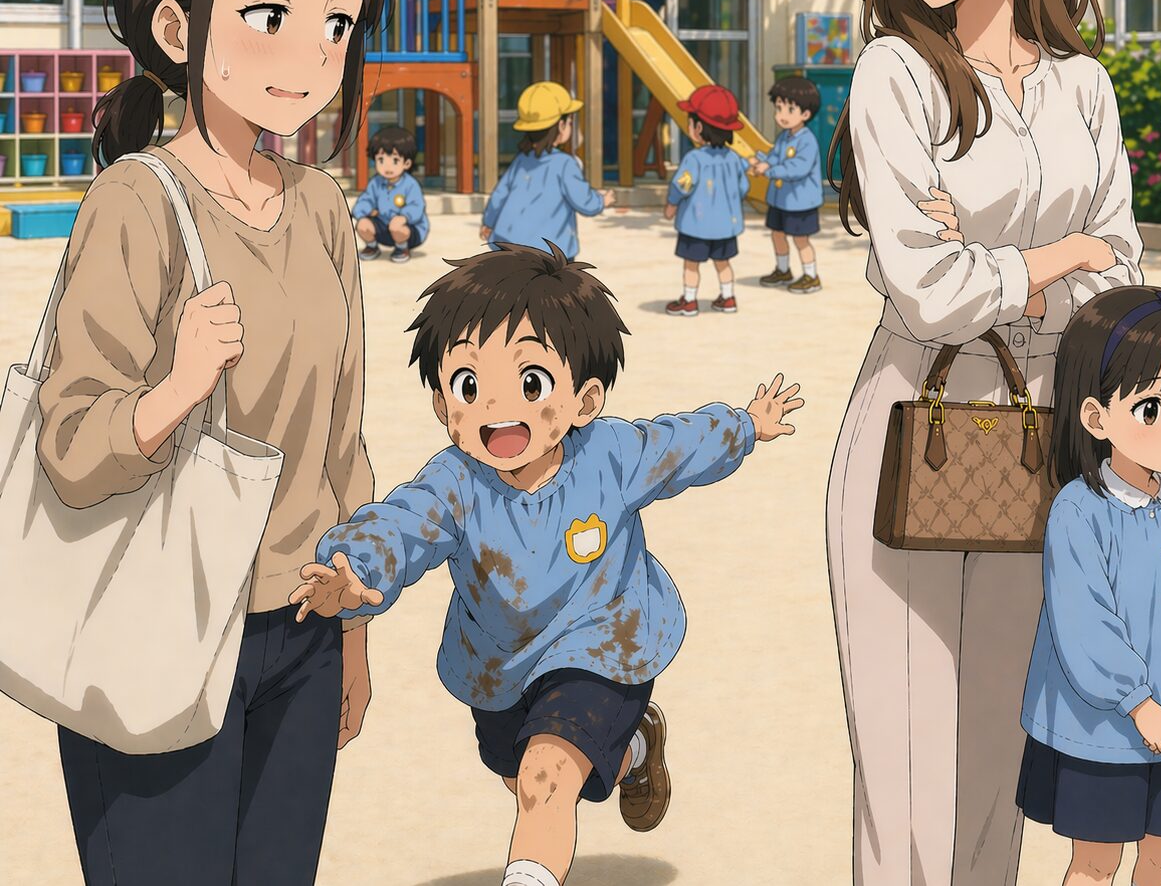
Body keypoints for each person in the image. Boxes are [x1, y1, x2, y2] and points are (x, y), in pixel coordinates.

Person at [37, 0, 391, 885]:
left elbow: (342, 437)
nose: (313, 54)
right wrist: (178, 387)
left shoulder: (323, 206)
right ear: (179, 29)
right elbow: (71, 446)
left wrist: (355, 630)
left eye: (337, 23)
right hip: (159, 631)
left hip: (305, 628)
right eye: (274, 16)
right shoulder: (136, 203)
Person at [824, 0, 1145, 885]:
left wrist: (1000, 265)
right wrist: (1057, 257)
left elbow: (1128, 274)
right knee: (905, 762)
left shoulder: (1083, 89)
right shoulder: (895, 75)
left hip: (1047, 430)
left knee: (1001, 753)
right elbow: (928, 294)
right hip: (915, 419)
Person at [289, 243, 804, 886]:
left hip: (603, 645)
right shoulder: (455, 482)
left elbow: (681, 444)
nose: (497, 410)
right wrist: (355, 567)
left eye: (529, 382)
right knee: (526, 776)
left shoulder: (610, 453)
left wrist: (746, 425)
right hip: (500, 667)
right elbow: (402, 523)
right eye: (470, 385)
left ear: (583, 401)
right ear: (441, 405)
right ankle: (637, 742)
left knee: (546, 777)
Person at [1017, 286, 1161, 886]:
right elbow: (1083, 622)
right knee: (1095, 863)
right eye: (1150, 409)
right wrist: (1138, 703)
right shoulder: (1078, 511)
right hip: (1103, 732)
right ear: (1094, 415)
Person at [480, 81, 614, 257]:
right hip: (550, 252)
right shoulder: (565, 164)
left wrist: (489, 222)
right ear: (561, 125)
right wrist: (602, 200)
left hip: (509, 245)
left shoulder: (521, 160)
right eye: (570, 122)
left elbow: (500, 194)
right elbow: (584, 202)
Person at [664, 84, 750, 315]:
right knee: (723, 263)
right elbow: (743, 186)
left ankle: (690, 301)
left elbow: (682, 185)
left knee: (691, 264)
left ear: (698, 127)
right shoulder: (734, 158)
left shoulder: (694, 158)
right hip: (726, 226)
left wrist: (672, 204)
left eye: (690, 122)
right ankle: (728, 297)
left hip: (696, 226)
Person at [749, 75, 824, 293]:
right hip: (780, 200)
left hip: (800, 202)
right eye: (779, 108)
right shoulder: (784, 137)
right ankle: (783, 270)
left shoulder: (807, 140)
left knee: (801, 239)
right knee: (777, 234)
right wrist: (761, 161)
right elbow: (775, 157)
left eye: (789, 109)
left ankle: (811, 275)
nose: (782, 115)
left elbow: (797, 168)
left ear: (805, 114)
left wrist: (769, 170)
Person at [352, 123, 430, 263]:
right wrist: (364, 211)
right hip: (383, 227)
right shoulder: (375, 183)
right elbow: (365, 200)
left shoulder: (410, 184)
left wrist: (404, 216)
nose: (387, 166)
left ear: (406, 163)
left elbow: (417, 206)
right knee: (362, 224)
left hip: (409, 230)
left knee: (397, 226)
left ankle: (402, 248)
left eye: (395, 160)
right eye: (381, 160)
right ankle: (372, 246)